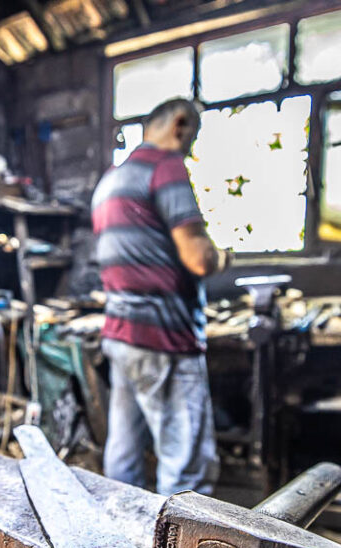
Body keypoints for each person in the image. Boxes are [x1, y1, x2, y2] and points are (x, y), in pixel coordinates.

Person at [91, 98, 227, 496]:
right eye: (192, 137)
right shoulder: (165, 167)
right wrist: (223, 257)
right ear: (179, 124)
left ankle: (121, 543)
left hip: (121, 335)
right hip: (164, 338)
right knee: (186, 468)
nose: (190, 148)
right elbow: (198, 258)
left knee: (123, 454)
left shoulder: (111, 179)